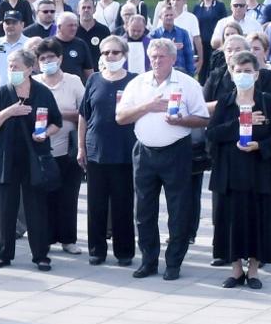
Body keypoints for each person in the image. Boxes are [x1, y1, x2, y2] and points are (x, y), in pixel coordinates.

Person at [118, 37, 208, 281]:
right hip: (144, 151)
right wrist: (148, 106)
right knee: (144, 210)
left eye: (161, 57)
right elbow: (121, 117)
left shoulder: (187, 84)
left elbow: (203, 119)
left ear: (173, 59)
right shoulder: (138, 83)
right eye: (153, 57)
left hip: (176, 150)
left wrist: (182, 120)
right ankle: (148, 260)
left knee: (178, 210)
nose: (156, 61)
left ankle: (173, 262)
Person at [206, 51, 271, 290]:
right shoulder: (225, 102)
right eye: (238, 71)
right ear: (231, 73)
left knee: (257, 219)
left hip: (258, 171)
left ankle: (253, 270)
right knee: (229, 220)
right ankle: (235, 269)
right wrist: (244, 121)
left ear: (256, 73)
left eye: (248, 71)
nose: (243, 75)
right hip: (229, 173)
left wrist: (260, 146)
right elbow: (212, 134)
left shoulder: (266, 101)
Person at [0, 47, 60, 271]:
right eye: (9, 66)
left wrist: (46, 133)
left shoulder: (43, 92)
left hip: (34, 158)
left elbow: (56, 122)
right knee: (6, 208)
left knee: (36, 208)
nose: (11, 70)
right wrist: (8, 112)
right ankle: (4, 254)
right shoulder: (1, 93)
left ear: (29, 69)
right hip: (6, 158)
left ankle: (41, 255)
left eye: (15, 66)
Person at [78, 35, 136, 266]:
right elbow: (84, 115)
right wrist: (81, 147)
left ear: (124, 55)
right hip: (96, 152)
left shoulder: (134, 81)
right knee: (96, 204)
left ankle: (124, 251)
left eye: (115, 52)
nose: (110, 56)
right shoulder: (93, 80)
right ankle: (97, 250)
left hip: (124, 151)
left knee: (123, 203)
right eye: (106, 53)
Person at [33, 39, 85, 256]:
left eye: (51, 57)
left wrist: (57, 116)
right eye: (43, 58)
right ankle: (43, 239)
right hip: (42, 150)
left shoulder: (73, 81)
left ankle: (68, 239)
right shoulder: (34, 82)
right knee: (42, 197)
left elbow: (84, 112)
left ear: (60, 58)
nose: (47, 61)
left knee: (68, 196)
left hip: (68, 149)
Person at [149, 4, 196, 76]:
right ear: (160, 17)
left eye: (171, 15)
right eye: (166, 15)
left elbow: (189, 55)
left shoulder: (183, 33)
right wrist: (171, 46)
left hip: (181, 73)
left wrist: (191, 74)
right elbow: (152, 55)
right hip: (162, 73)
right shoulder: (154, 35)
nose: (169, 17)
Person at [54, 12, 96, 78]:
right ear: (59, 27)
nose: (74, 28)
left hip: (77, 86)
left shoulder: (81, 44)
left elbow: (89, 71)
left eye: (75, 25)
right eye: (70, 25)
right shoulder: (48, 44)